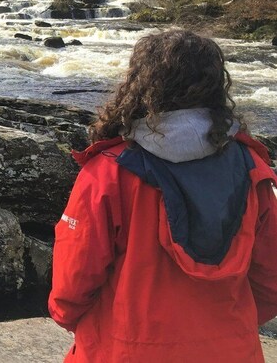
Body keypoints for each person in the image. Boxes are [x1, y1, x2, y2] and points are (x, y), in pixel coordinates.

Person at [48, 29, 277, 362]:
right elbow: (270, 279)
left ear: (140, 85)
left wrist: (67, 316)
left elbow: (73, 284)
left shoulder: (108, 171)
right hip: (231, 350)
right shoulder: (252, 166)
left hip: (124, 350)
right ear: (215, 87)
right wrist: (224, 327)